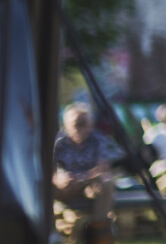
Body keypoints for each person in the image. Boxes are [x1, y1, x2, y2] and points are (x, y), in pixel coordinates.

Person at [53, 103, 124, 243]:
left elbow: (104, 168)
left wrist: (83, 178)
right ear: (66, 124)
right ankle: (48, 233)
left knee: (107, 182)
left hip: (89, 185)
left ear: (91, 125)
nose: (81, 128)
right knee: (41, 186)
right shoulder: (58, 142)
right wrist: (59, 179)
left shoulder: (98, 139)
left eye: (84, 123)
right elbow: (49, 169)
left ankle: (98, 234)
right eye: (77, 124)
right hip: (64, 187)